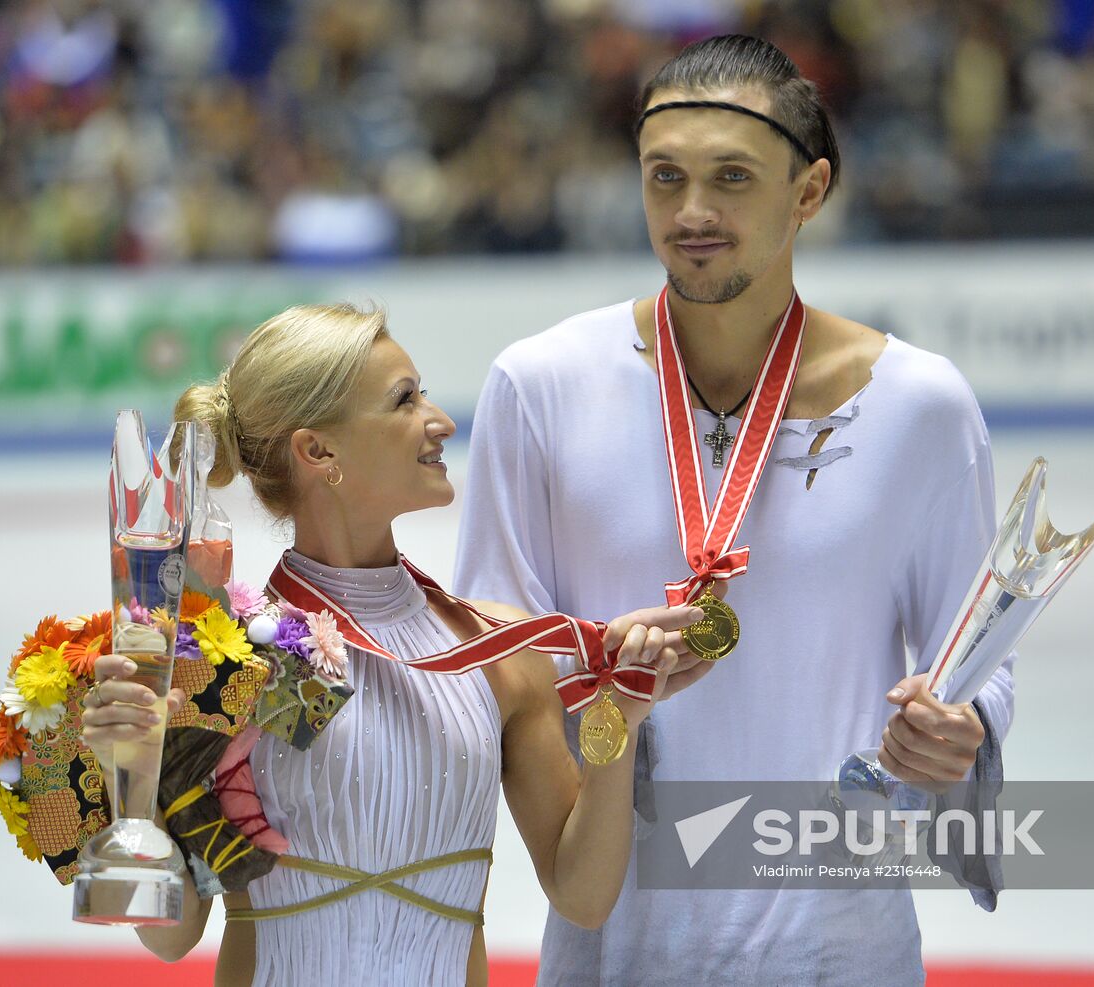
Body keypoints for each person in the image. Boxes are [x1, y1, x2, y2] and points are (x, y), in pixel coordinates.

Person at [453, 34, 1015, 986]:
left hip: (842, 950)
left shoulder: (920, 406)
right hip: (615, 951)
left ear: (809, 192)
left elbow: (977, 667)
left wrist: (961, 733)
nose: (692, 212)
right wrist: (601, 694)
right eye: (663, 177)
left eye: (732, 178)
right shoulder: (541, 385)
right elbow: (498, 678)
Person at [79, 302, 713, 986]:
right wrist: (130, 772)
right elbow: (172, 937)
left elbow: (583, 896)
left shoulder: (499, 649)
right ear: (318, 451)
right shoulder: (225, 661)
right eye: (405, 400)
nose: (441, 420)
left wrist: (615, 717)